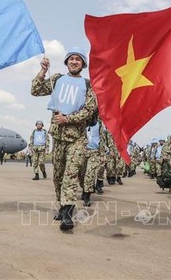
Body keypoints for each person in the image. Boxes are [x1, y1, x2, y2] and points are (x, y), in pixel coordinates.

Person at [30, 47, 97, 231]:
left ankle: (68, 213)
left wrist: (68, 118)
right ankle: (61, 205)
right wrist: (43, 70)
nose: (74, 61)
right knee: (58, 175)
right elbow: (35, 90)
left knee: (70, 175)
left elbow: (89, 109)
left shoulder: (88, 84)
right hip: (58, 137)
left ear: (83, 64)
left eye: (78, 59)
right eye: (71, 58)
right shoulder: (57, 79)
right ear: (67, 62)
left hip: (77, 138)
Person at [81, 114, 106, 206]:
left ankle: (87, 196)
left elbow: (102, 140)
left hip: (94, 152)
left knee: (89, 174)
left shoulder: (99, 124)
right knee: (82, 174)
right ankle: (84, 189)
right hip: (83, 152)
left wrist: (102, 154)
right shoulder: (82, 123)